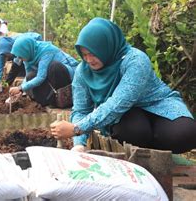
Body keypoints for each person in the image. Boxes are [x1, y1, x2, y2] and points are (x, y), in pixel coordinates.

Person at [50, 18, 196, 153]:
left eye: (93, 53)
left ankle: (158, 151)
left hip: (158, 106)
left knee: (185, 133)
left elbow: (118, 103)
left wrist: (77, 129)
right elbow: (81, 110)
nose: (89, 59)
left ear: (105, 47)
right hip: (126, 116)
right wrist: (79, 144)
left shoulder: (135, 60)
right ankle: (144, 153)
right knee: (133, 131)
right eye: (84, 54)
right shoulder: (83, 71)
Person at [8, 36, 78, 107]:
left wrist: (20, 88)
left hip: (67, 75)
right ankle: (47, 102)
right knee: (31, 75)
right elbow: (28, 75)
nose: (20, 59)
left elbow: (40, 77)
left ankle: (64, 99)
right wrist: (21, 90)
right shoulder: (28, 56)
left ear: (26, 50)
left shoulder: (46, 51)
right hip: (50, 76)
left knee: (54, 66)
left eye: (20, 57)